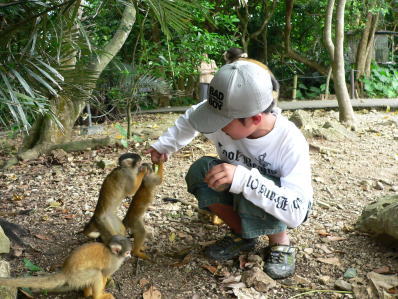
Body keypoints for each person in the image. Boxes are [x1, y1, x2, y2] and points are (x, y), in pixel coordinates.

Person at [145, 60, 313, 280]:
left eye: (222, 121)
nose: (215, 127)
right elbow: (191, 119)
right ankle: (243, 234)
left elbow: (297, 212)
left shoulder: (289, 141)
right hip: (238, 184)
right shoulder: (224, 114)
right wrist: (164, 145)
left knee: (254, 178)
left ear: (255, 118)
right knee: (200, 170)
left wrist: (244, 179)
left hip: (276, 200)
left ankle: (280, 243)